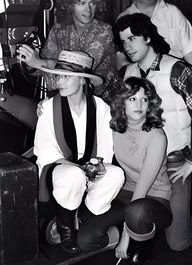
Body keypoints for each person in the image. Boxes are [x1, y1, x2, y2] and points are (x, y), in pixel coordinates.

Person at [112, 13, 192, 252]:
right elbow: (105, 110)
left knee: (178, 242)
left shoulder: (177, 69)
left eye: (132, 38)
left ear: (148, 37)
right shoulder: (126, 74)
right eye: (124, 41)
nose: (127, 46)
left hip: (174, 162)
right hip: (140, 163)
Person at [33, 50, 125, 253]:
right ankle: (66, 224)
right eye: (58, 76)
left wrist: (98, 165)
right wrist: (78, 167)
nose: (60, 82)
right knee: (73, 175)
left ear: (83, 80)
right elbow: (45, 149)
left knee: (116, 175)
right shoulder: (48, 108)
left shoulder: (100, 107)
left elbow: (105, 145)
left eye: (66, 77)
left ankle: (84, 215)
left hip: (88, 165)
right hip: (60, 169)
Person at [16, 0, 117, 96]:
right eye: (82, 3)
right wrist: (29, 61)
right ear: (70, 5)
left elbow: (81, 68)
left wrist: (38, 63)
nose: (88, 9)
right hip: (66, 96)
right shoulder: (58, 29)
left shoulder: (104, 30)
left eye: (92, 3)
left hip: (100, 99)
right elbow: (41, 70)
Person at [110, 77, 172, 264]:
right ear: (122, 102)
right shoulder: (115, 128)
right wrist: (45, 106)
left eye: (144, 99)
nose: (139, 104)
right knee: (95, 226)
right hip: (127, 190)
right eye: (132, 99)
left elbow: (142, 188)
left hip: (155, 195)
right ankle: (135, 230)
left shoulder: (156, 137)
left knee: (136, 212)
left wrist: (125, 236)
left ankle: (144, 246)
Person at [117, 0, 192, 76]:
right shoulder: (124, 18)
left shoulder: (174, 13)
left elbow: (190, 55)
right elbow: (120, 59)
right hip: (140, 81)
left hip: (175, 77)